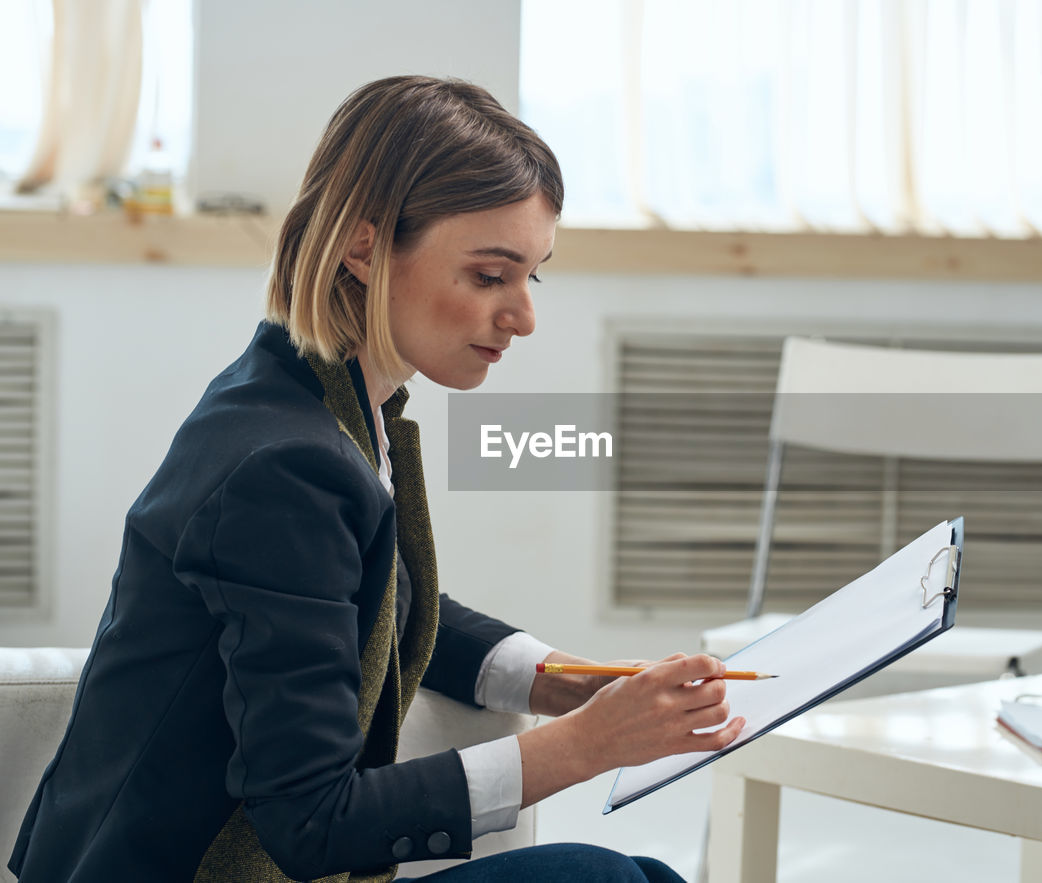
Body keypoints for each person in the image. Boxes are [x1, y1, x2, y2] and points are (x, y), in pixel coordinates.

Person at [8, 76, 745, 883]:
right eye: (489, 275)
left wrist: (566, 682)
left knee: (645, 874)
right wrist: (588, 745)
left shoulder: (314, 400)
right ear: (364, 248)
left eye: (532, 275)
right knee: (604, 877)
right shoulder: (285, 465)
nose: (524, 316)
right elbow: (313, 823)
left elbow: (376, 597)